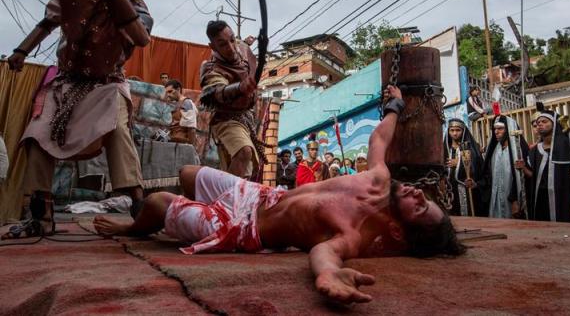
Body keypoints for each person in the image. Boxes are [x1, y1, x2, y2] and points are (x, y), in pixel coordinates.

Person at [93, 85, 465, 305]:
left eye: (420, 207)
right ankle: (186, 213)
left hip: (244, 225)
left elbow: (325, 252)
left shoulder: (356, 234)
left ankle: (135, 228)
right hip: (263, 196)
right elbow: (379, 138)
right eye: (425, 197)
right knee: (188, 174)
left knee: (156, 205)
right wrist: (394, 107)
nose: (418, 194)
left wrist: (329, 276)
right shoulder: (380, 179)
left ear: (400, 231)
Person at [3, 0, 152, 239]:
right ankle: (41, 216)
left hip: (107, 84)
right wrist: (22, 50)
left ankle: (141, 210)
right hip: (67, 83)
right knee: (37, 134)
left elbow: (140, 37)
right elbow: (48, 23)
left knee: (117, 127)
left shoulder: (139, 8)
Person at [199, 20, 260, 179]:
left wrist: (248, 43)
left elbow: (244, 49)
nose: (231, 48)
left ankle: (234, 197)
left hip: (247, 118)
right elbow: (216, 91)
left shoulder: (241, 47)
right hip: (226, 120)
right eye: (223, 44)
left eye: (232, 39)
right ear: (213, 47)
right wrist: (240, 87)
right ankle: (227, 199)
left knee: (248, 170)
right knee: (244, 151)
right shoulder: (211, 68)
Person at [527, 107, 570, 222]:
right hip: (541, 201)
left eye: (544, 122)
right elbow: (531, 176)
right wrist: (523, 167)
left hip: (564, 199)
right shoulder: (534, 150)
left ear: (554, 124)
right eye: (538, 123)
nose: (540, 125)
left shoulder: (567, 145)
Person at [480, 116, 530, 219]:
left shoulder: (518, 150)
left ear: (509, 129)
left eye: (500, 128)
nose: (496, 132)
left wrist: (515, 199)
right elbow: (487, 176)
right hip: (495, 200)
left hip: (512, 201)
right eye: (495, 129)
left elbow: (522, 178)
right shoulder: (494, 150)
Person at [443, 119, 486, 216]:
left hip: (467, 190)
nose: (454, 133)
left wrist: (459, 163)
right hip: (449, 191)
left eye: (458, 130)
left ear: (463, 131)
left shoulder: (472, 148)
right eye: (452, 130)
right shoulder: (445, 149)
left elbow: (478, 168)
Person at [164, 79, 198, 145]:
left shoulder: (186, 103)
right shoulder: (178, 104)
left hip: (183, 144)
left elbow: (191, 129)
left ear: (178, 89)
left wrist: (190, 147)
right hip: (176, 142)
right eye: (167, 92)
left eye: (170, 91)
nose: (168, 95)